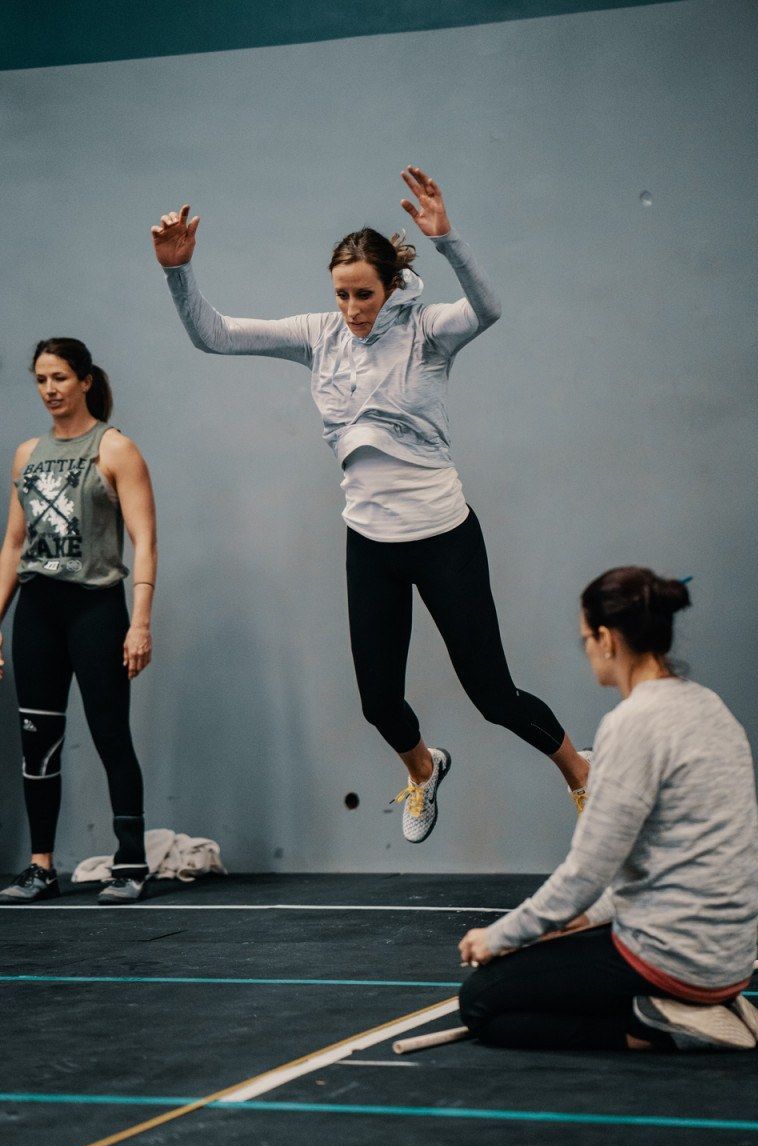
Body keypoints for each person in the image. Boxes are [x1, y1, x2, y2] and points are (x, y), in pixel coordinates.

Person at [151, 166, 589, 843]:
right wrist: (178, 272)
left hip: (443, 535)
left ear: (391, 288)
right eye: (342, 294)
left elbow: (489, 309)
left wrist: (448, 240)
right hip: (371, 543)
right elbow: (216, 334)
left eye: (365, 295)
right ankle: (424, 769)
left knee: (493, 695)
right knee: (378, 702)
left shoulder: (429, 331)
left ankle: (581, 773)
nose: (353, 309)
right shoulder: (318, 335)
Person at [458, 567, 758, 1051]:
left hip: (674, 961)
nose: (587, 649)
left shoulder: (631, 724)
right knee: (562, 947)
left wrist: (498, 937)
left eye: (586, 638)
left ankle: (656, 1029)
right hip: (730, 960)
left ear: (607, 640)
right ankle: (703, 1006)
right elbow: (666, 864)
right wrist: (583, 920)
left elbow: (586, 873)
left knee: (481, 1001)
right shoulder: (711, 707)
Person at [0, 338, 157, 905]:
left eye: (60, 378)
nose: (50, 389)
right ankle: (41, 867)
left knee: (111, 734)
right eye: (42, 379)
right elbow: (13, 544)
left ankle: (131, 863)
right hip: (37, 613)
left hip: (95, 609)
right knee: (37, 743)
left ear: (85, 380)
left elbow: (145, 540)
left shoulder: (115, 448)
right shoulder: (27, 454)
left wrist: (140, 623)